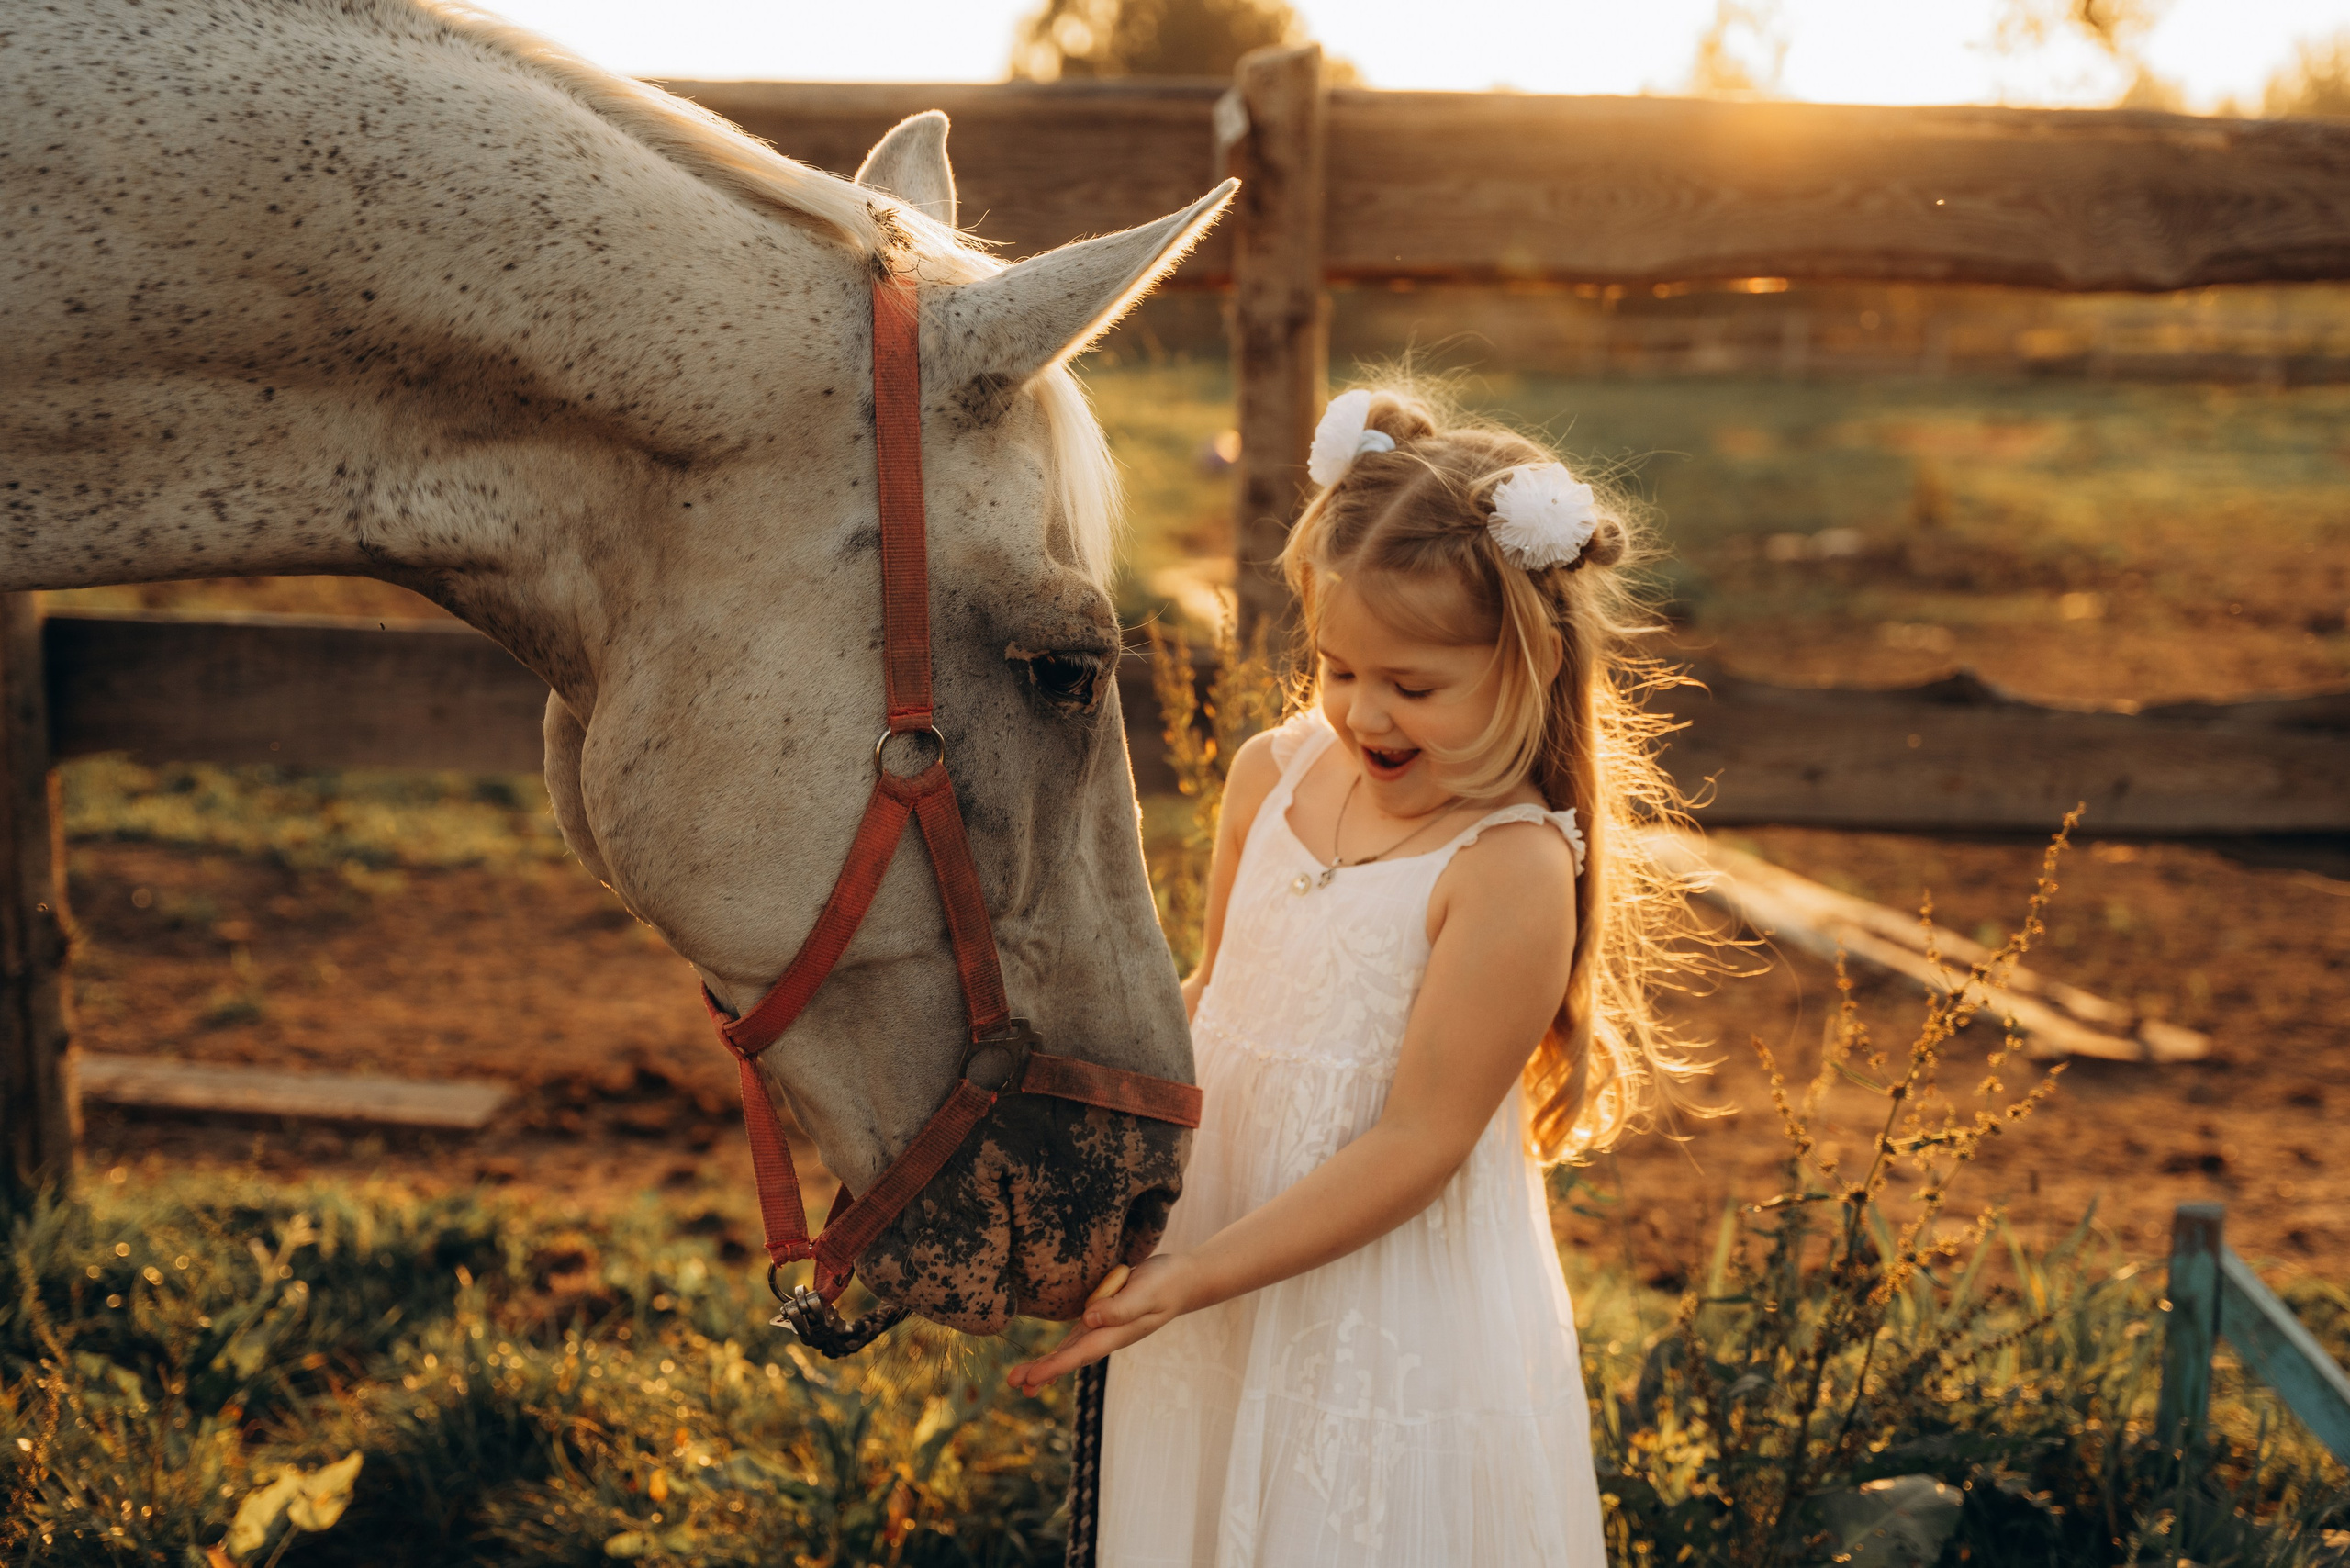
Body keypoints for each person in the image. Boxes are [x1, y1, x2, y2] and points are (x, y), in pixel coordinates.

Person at [1007, 385, 1709, 1566]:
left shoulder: (1509, 867)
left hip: (1380, 1310)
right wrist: (1085, 1110)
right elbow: (1216, 1000)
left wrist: (1195, 1277)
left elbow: (1416, 1145)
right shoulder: (1271, 776)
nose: (1360, 714)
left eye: (1413, 687)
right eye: (1337, 668)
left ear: (1526, 664)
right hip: (1211, 1249)